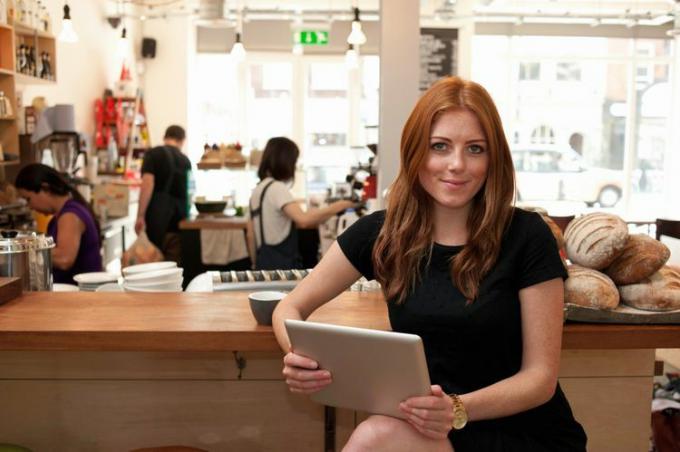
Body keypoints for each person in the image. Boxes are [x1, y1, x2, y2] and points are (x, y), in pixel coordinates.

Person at [272, 77, 587, 451]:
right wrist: (298, 357)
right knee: (376, 433)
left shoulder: (527, 235)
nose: (456, 165)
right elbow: (289, 307)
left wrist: (456, 409)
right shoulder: (383, 234)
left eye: (475, 149)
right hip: (432, 430)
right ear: (416, 151)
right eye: (440, 146)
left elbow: (540, 379)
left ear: (493, 159)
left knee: (376, 434)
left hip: (521, 432)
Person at [250, 137, 355, 270]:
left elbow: (250, 234)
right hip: (281, 265)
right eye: (293, 161)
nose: (294, 166)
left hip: (263, 263)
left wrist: (254, 264)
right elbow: (304, 219)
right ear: (284, 161)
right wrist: (339, 206)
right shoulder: (277, 188)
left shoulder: (258, 190)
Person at [15, 163, 102, 284]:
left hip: (79, 296)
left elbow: (64, 259)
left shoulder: (70, 215)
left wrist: (21, 252)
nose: (30, 206)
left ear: (45, 189)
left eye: (28, 199)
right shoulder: (63, 213)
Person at [135, 125, 192, 264]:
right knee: (173, 269)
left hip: (156, 223)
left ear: (165, 137)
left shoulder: (153, 154)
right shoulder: (186, 161)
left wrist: (140, 215)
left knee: (153, 268)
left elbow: (147, 184)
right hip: (178, 224)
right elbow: (189, 193)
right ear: (182, 140)